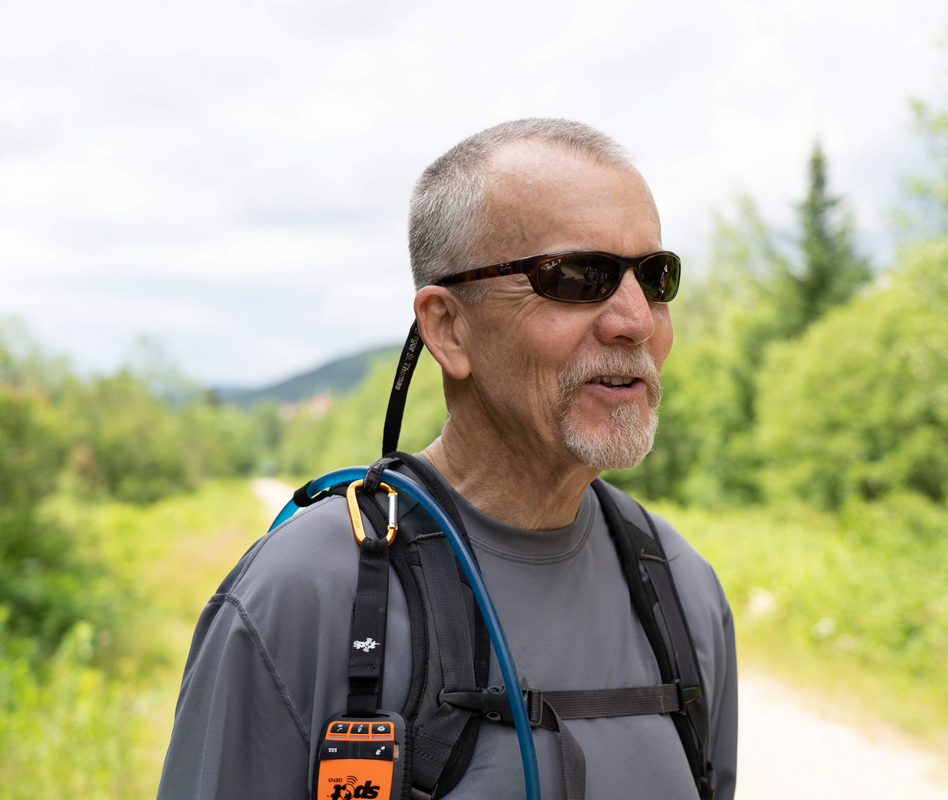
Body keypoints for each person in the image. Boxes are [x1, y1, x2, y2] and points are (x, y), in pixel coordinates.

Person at [157, 119, 738, 800]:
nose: (636, 320)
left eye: (656, 277)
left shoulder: (685, 592)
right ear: (448, 328)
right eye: (580, 277)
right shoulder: (302, 594)